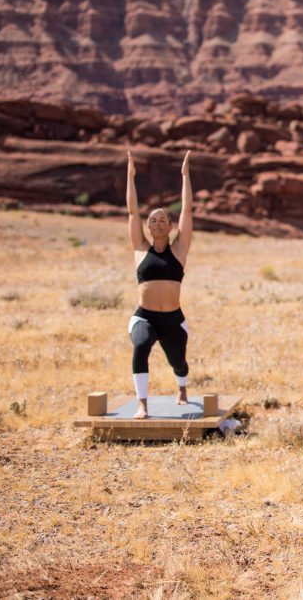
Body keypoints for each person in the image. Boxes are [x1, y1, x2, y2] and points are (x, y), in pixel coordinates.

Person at [125, 150, 194, 419]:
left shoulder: (179, 250)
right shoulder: (140, 249)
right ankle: (142, 403)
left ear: (169, 225)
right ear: (149, 226)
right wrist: (130, 177)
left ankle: (182, 388)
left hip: (174, 319)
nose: (157, 223)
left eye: (162, 219)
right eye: (152, 220)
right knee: (141, 345)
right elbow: (132, 211)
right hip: (145, 317)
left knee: (178, 362)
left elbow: (187, 209)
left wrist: (185, 176)